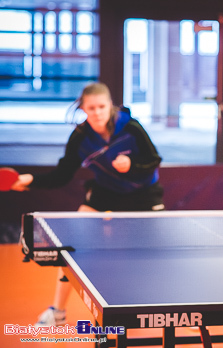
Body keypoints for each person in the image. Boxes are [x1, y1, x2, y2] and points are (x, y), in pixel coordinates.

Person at [11, 82, 165, 327]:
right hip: (105, 192)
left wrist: (132, 165)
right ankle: (58, 312)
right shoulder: (81, 137)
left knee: (158, 253)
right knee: (72, 246)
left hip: (143, 194)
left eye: (102, 106)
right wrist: (30, 180)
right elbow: (62, 174)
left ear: (110, 106)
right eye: (91, 108)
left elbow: (154, 160)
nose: (97, 112)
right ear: (83, 108)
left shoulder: (132, 128)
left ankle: (167, 310)